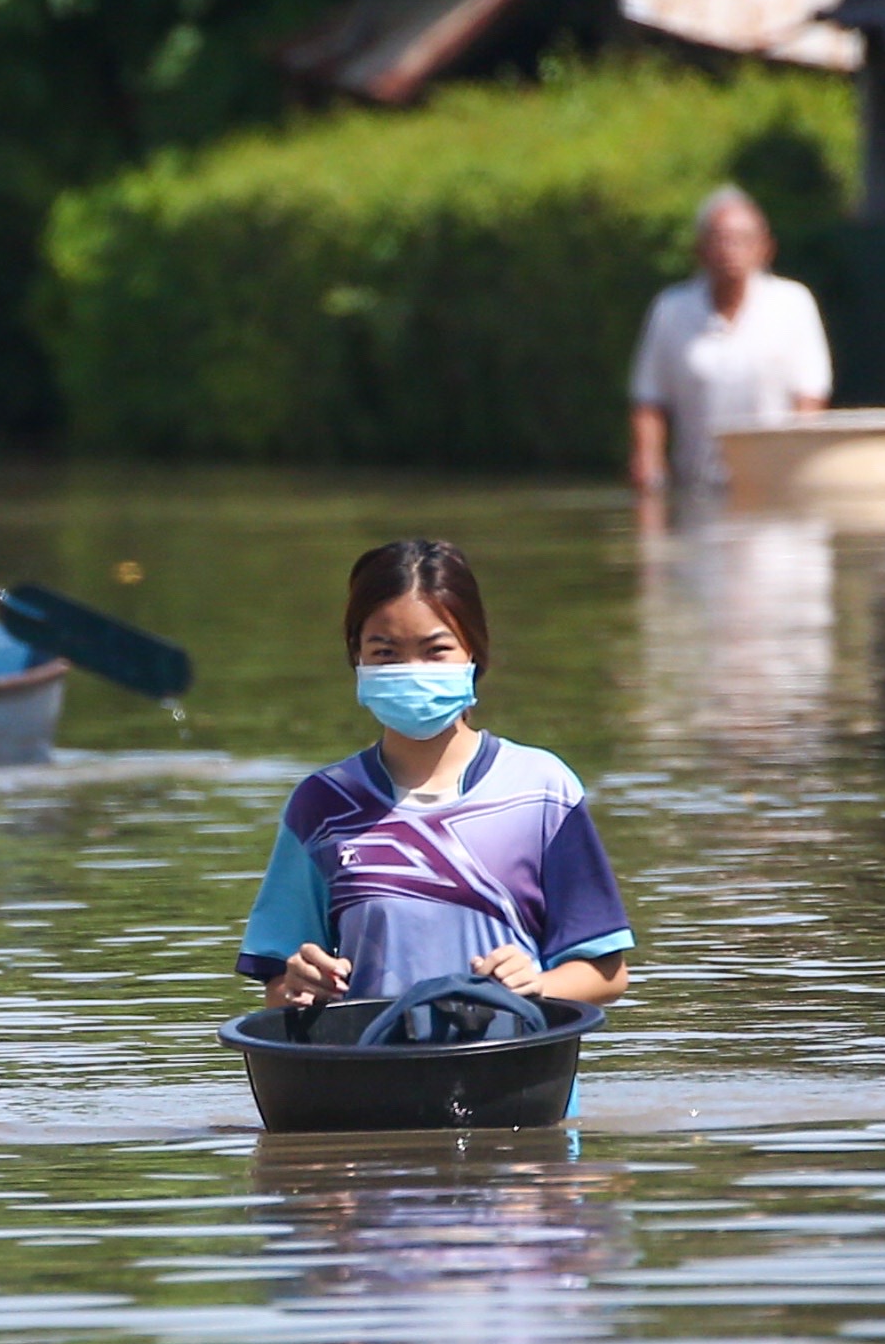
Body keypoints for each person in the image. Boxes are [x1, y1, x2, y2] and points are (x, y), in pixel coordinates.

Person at [237, 539, 634, 1010]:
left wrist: (536, 983)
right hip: (370, 1076)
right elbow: (280, 988)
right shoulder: (321, 804)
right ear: (357, 659)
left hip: (519, 1073)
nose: (411, 670)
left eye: (436, 650)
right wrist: (299, 983)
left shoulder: (542, 790)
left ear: (474, 652)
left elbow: (606, 974)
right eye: (385, 653)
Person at [628, 184, 833, 497]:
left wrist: (801, 466)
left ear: (765, 248)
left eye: (742, 240)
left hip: (776, 486)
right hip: (698, 487)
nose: (729, 250)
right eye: (720, 239)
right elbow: (650, 398)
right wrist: (649, 460)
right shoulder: (671, 309)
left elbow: (810, 396)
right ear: (700, 250)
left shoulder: (793, 304)